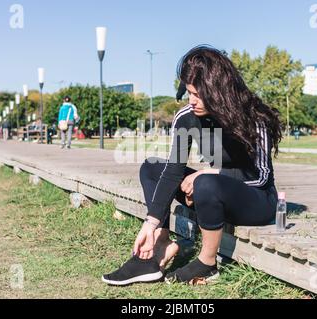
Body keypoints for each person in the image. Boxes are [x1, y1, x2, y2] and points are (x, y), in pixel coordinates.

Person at [102, 46, 283, 286]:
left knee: (207, 181)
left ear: (219, 92)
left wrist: (210, 174)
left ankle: (207, 263)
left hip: (257, 201)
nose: (192, 101)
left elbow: (261, 177)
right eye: (189, 92)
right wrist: (151, 223)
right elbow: (173, 171)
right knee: (152, 167)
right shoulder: (186, 117)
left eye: (199, 95)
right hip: (214, 194)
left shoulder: (254, 117)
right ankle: (160, 245)